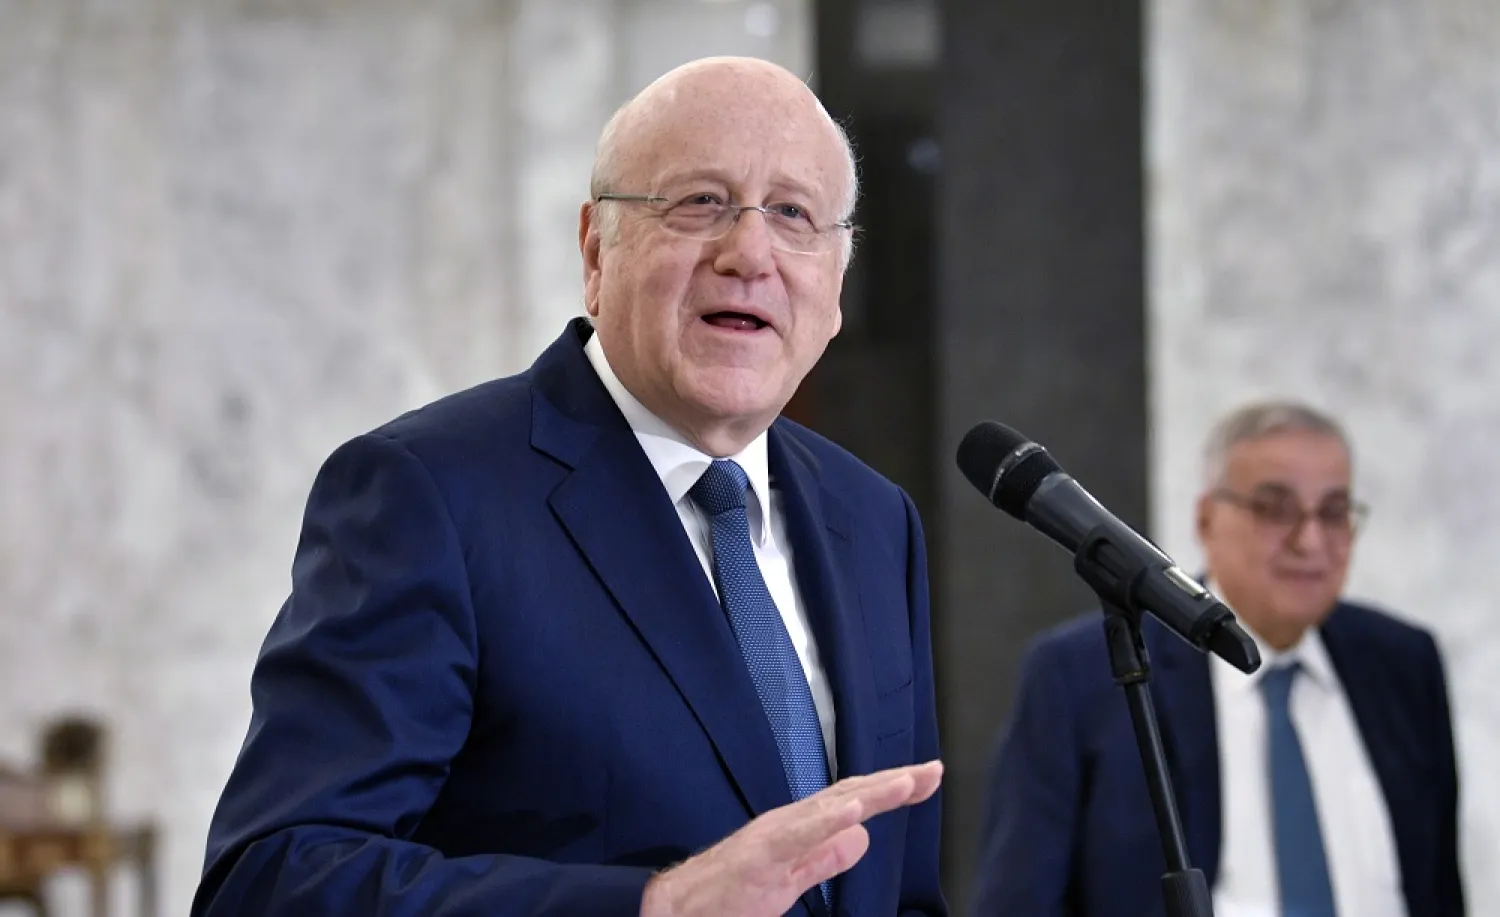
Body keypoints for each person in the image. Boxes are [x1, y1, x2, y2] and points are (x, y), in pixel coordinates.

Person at [190, 56, 946, 917]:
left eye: (793, 213)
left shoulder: (875, 520)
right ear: (596, 249)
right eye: (700, 202)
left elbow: (903, 892)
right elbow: (274, 881)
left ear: (837, 281)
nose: (750, 252)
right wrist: (656, 907)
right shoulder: (430, 494)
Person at [968, 399, 1464, 917]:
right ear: (1206, 519)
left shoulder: (1402, 664)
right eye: (1275, 508)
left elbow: (1439, 890)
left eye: (1334, 512)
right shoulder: (1082, 675)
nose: (1310, 540)